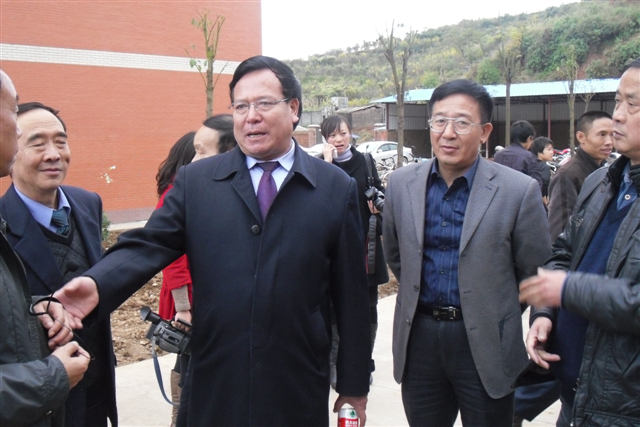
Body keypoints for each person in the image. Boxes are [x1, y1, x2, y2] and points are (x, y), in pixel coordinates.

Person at [53, 55, 371, 427]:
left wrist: (353, 386)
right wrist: (97, 284)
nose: (251, 116)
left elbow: (352, 297)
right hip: (216, 380)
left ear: (294, 109)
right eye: (241, 106)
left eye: (264, 103)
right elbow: (148, 244)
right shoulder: (198, 182)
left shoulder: (334, 188)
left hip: (296, 384)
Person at [382, 79, 551, 427]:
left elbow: (537, 270)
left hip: (487, 343)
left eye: (461, 122)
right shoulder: (401, 184)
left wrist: (520, 313)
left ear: (484, 131)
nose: (448, 133)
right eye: (439, 121)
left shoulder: (518, 190)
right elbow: (397, 254)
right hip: (420, 340)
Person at [520, 58, 640, 427]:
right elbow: (563, 253)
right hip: (575, 394)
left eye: (632, 104)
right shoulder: (601, 182)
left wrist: (568, 289)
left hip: (622, 407)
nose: (617, 115)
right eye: (617, 101)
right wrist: (544, 313)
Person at [0, 101, 118, 427]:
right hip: (42, 404)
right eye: (37, 144)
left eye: (60, 141)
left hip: (96, 386)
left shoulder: (88, 203)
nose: (53, 154)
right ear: (11, 151)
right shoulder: (2, 223)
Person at [320, 115, 388, 388]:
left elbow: (380, 195)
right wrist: (327, 165)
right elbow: (317, 200)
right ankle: (335, 366)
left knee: (367, 310)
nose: (338, 140)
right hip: (333, 250)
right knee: (333, 310)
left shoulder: (366, 162)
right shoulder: (320, 165)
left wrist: (378, 208)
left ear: (351, 134)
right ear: (325, 138)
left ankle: (363, 364)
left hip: (365, 248)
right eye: (332, 135)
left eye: (342, 133)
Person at [547, 110, 614, 241]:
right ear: (581, 137)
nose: (609, 142)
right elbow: (559, 230)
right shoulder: (568, 175)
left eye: (612, 135)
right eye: (602, 134)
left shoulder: (607, 171)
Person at [494, 120, 544, 192]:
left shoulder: (499, 155)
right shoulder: (528, 156)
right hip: (520, 196)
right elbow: (536, 184)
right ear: (529, 138)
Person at [529, 136, 555, 207]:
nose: (552, 152)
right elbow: (545, 182)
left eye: (552, 149)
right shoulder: (544, 167)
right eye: (549, 149)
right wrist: (544, 197)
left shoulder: (530, 163)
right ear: (539, 152)